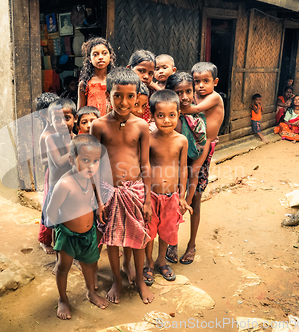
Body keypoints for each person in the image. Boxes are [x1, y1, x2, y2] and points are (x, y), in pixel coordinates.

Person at [91, 67, 154, 304]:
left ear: (138, 97)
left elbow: (145, 164)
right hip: (108, 192)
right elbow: (94, 166)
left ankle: (138, 281)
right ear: (108, 95)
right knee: (112, 239)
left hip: (135, 191)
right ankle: (117, 279)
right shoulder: (98, 126)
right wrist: (98, 201)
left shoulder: (141, 126)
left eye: (130, 96)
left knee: (139, 237)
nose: (123, 102)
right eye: (117, 95)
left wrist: (147, 200)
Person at [166, 63, 224, 265]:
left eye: (205, 81)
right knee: (174, 198)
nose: (200, 86)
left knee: (194, 199)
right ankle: (172, 241)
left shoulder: (212, 98)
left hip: (204, 147)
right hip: (185, 151)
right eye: (196, 82)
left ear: (215, 82)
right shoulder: (190, 97)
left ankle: (191, 244)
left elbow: (192, 109)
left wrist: (166, 95)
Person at [46, 134, 108, 320]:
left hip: (88, 233)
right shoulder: (65, 184)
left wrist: (99, 205)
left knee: (89, 265)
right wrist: (60, 231)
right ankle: (63, 299)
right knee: (63, 267)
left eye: (96, 161)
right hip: (68, 234)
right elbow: (50, 211)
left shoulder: (90, 175)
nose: (92, 165)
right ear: (72, 159)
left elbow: (96, 188)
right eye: (86, 160)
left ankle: (91, 292)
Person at [143, 90, 191, 286]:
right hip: (152, 196)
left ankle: (161, 260)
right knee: (149, 231)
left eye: (172, 115)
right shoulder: (149, 139)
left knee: (167, 231)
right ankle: (148, 263)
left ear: (178, 114)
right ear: (152, 116)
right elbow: (144, 169)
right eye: (160, 116)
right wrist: (145, 199)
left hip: (172, 197)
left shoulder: (181, 140)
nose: (166, 120)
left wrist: (182, 197)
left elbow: (183, 170)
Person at [42, 99, 76, 236]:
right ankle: (59, 257)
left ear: (75, 118)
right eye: (57, 119)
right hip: (56, 190)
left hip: (73, 191)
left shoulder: (78, 139)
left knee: (72, 224)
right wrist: (72, 146)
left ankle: (72, 255)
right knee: (58, 228)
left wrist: (71, 143)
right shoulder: (50, 139)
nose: (62, 123)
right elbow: (60, 162)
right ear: (50, 120)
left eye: (67, 118)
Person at [36, 92, 60, 254]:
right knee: (49, 206)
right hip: (51, 175)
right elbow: (43, 161)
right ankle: (44, 240)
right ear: (44, 115)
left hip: (63, 173)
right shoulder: (45, 136)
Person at [78, 37, 116, 116]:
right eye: (95, 54)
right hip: (92, 125)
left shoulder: (116, 81)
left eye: (104, 53)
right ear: (90, 59)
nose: (100, 57)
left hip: (112, 124)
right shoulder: (85, 84)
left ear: (110, 56)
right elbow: (80, 112)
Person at [127, 50, 159, 123]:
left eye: (150, 73)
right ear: (129, 69)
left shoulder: (152, 94)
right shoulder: (122, 89)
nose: (146, 76)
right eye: (141, 71)